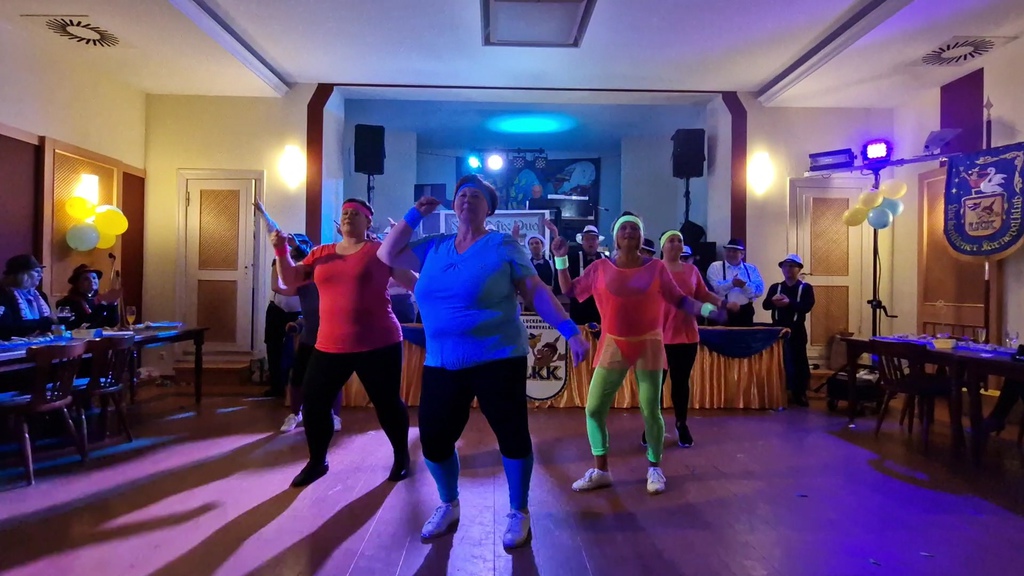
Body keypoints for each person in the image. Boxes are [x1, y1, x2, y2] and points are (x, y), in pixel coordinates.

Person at [377, 174, 588, 550]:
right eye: (462, 194)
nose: (467, 200)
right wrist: (415, 214)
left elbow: (535, 291)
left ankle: (519, 511)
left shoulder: (503, 245)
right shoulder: (435, 246)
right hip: (442, 362)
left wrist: (570, 331)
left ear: (489, 208)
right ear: (453, 205)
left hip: (498, 358)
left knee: (511, 435)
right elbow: (387, 255)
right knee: (434, 441)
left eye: (476, 196)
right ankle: (449, 503)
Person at [552, 213, 726, 496]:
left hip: (649, 345)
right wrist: (560, 259)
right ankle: (601, 470)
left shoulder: (656, 268)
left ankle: (654, 468)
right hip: (613, 344)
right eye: (624, 228)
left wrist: (708, 309)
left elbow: (681, 300)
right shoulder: (600, 267)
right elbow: (570, 290)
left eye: (634, 228)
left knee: (650, 410)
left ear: (641, 236)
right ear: (616, 237)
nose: (629, 231)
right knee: (594, 409)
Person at [272, 197, 416, 488]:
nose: (349, 216)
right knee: (314, 404)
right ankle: (317, 462)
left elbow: (414, 282)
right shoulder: (320, 253)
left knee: (387, 404)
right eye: (345, 213)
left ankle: (402, 457)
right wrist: (281, 250)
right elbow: (289, 281)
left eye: (355, 213)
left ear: (368, 222)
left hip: (379, 342)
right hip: (330, 345)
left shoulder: (380, 251)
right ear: (339, 224)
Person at [641, 231, 738, 448]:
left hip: (686, 336)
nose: (676, 244)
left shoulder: (692, 271)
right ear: (662, 246)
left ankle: (681, 423)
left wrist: (723, 304)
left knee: (681, 383)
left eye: (679, 240)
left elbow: (703, 294)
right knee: (655, 385)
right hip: (658, 337)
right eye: (671, 241)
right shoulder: (652, 270)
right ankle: (651, 424)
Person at [267, 232, 344, 434]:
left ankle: (334, 415)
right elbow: (278, 286)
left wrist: (293, 246)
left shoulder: (332, 279)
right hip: (309, 337)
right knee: (298, 378)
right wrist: (278, 257)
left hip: (331, 337)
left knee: (332, 379)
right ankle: (295, 414)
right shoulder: (303, 284)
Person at [762, 254, 815, 406]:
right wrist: (773, 301)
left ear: (799, 269)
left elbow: (806, 307)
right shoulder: (776, 287)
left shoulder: (805, 288)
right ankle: (779, 392)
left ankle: (800, 393)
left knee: (799, 361)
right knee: (779, 360)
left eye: (792, 266)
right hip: (777, 329)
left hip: (797, 329)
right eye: (785, 266)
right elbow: (765, 306)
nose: (788, 269)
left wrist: (789, 303)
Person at [707, 238, 764, 327]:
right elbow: (713, 290)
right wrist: (731, 284)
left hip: (745, 312)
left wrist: (744, 285)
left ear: (742, 254)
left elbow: (759, 291)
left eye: (734, 252)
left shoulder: (751, 269)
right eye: (728, 251)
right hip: (722, 311)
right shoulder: (715, 267)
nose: (730, 254)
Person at [0, 255, 56, 339]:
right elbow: (8, 327)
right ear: (22, 274)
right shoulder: (4, 295)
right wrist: (44, 322)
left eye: (41, 271)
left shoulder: (41, 295)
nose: (41, 275)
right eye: (37, 271)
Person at [56, 264, 120, 329]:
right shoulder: (68, 302)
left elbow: (112, 323)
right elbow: (86, 322)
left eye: (94, 278)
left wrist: (113, 304)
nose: (92, 281)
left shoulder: (100, 298)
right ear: (77, 283)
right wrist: (103, 304)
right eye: (86, 279)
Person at [566, 225, 606, 326]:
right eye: (587, 239)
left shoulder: (606, 260)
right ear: (582, 242)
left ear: (598, 242)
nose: (590, 242)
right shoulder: (572, 258)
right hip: (578, 309)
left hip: (600, 309)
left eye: (593, 239)